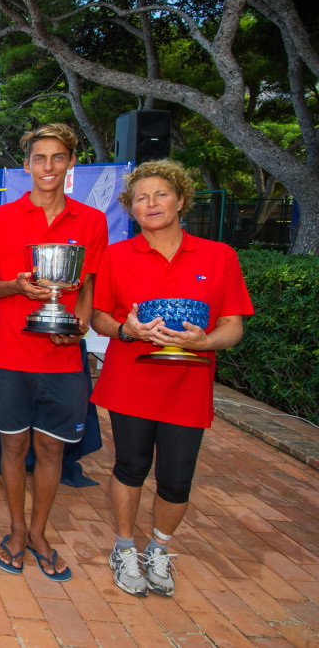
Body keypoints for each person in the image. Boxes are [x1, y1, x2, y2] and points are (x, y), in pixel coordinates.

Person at [91, 160, 252, 598]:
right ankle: (125, 548)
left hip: (188, 385)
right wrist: (128, 330)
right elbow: (100, 317)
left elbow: (234, 326)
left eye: (160, 194)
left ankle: (159, 549)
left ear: (181, 200)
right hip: (132, 381)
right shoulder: (117, 256)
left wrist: (205, 341)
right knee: (130, 467)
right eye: (141, 198)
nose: (151, 204)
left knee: (177, 479)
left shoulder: (219, 256)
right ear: (131, 208)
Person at [0, 122, 107, 582]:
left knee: (51, 451)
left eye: (57, 158)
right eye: (39, 158)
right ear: (27, 164)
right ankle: (16, 531)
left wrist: (80, 328)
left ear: (71, 163)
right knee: (13, 447)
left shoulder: (91, 223)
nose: (48, 167)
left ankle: (39, 532)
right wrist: (14, 285)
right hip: (9, 355)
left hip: (62, 357)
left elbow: (89, 286)